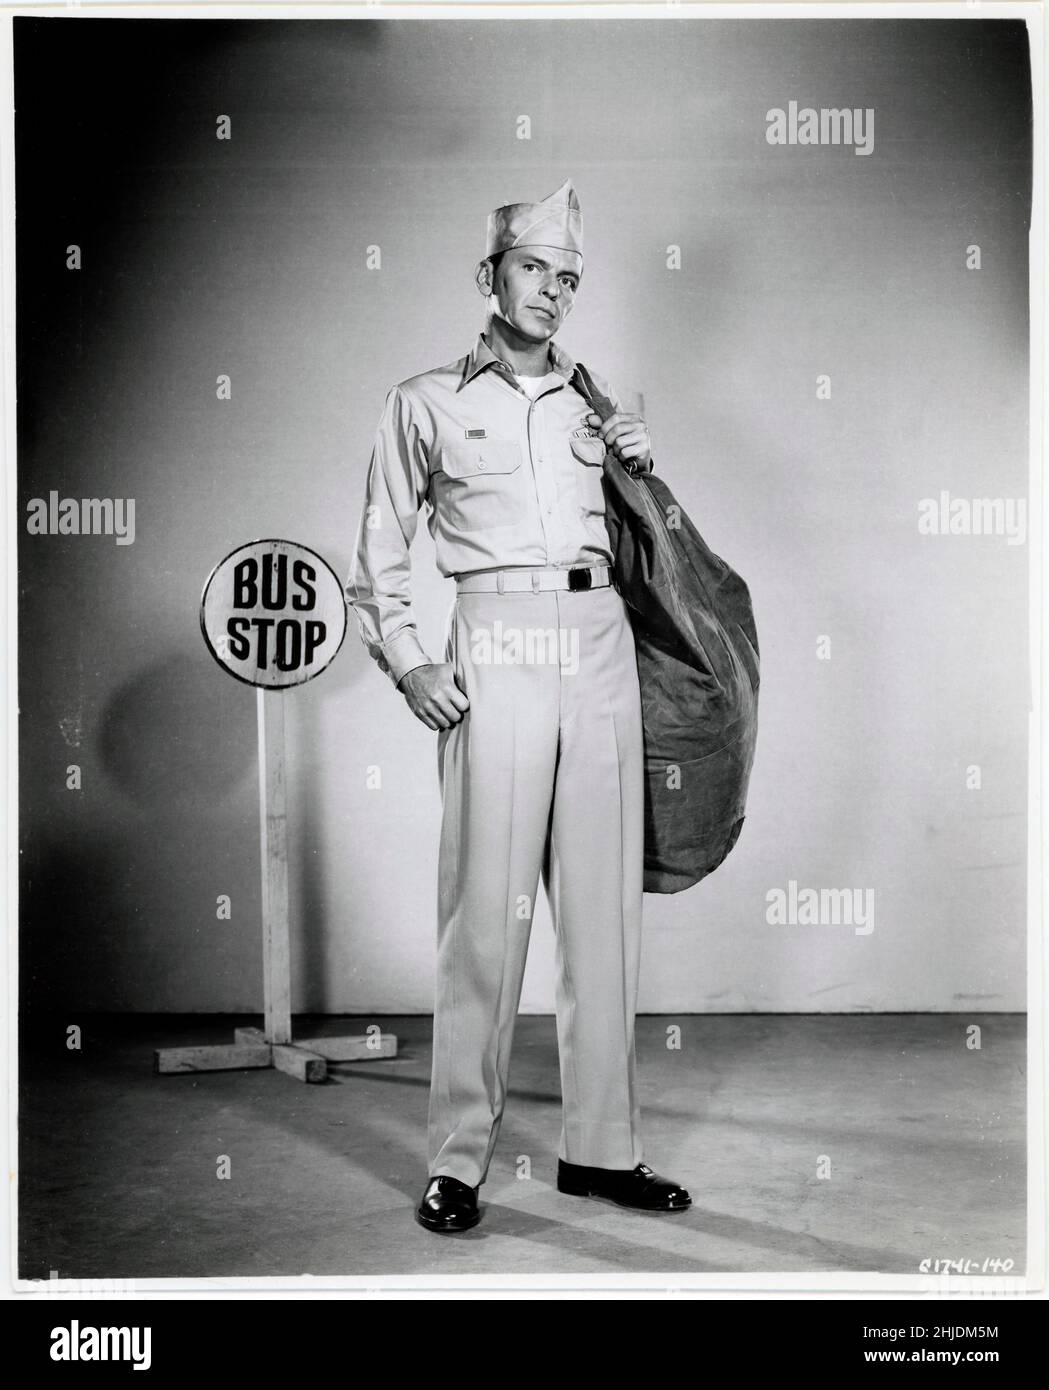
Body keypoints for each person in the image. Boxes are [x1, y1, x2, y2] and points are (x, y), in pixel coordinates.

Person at [346, 179, 691, 1232]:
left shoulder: (597, 404)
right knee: (483, 923)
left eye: (569, 278)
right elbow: (376, 547)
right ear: (488, 275)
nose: (553, 291)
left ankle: (601, 1152)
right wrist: (408, 660)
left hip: (598, 648)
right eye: (535, 269)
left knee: (600, 920)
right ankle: (456, 1159)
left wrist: (645, 477)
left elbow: (652, 553)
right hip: (491, 643)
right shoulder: (425, 400)